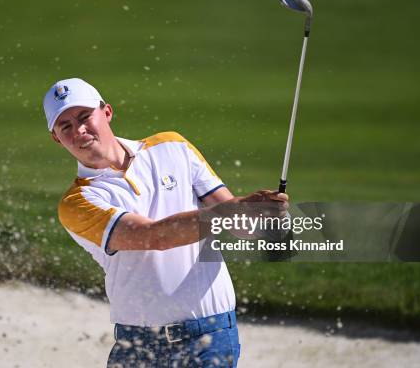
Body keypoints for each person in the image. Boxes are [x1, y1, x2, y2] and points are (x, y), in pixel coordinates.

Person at [42, 78, 288, 367]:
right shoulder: (77, 202)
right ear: (56, 138)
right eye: (66, 126)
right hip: (137, 344)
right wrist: (232, 211)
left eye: (85, 117)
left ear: (106, 112)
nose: (79, 130)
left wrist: (265, 219)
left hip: (209, 336)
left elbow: (239, 226)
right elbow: (152, 236)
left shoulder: (173, 147)